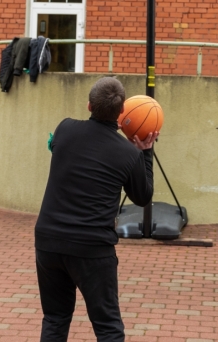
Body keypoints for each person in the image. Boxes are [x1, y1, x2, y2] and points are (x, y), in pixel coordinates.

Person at [35, 77, 158, 341]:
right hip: (92, 248)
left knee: (54, 318)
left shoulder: (65, 129)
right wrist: (145, 152)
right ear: (121, 111)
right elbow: (143, 197)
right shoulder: (128, 153)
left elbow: (60, 148)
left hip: (49, 241)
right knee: (107, 326)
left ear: (89, 106)